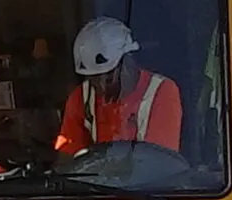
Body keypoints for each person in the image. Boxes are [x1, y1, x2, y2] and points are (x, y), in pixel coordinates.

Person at [55, 16, 182, 156]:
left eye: (109, 78)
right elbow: (68, 160)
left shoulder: (162, 93)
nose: (101, 87)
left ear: (128, 62)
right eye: (94, 80)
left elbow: (159, 163)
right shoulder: (81, 98)